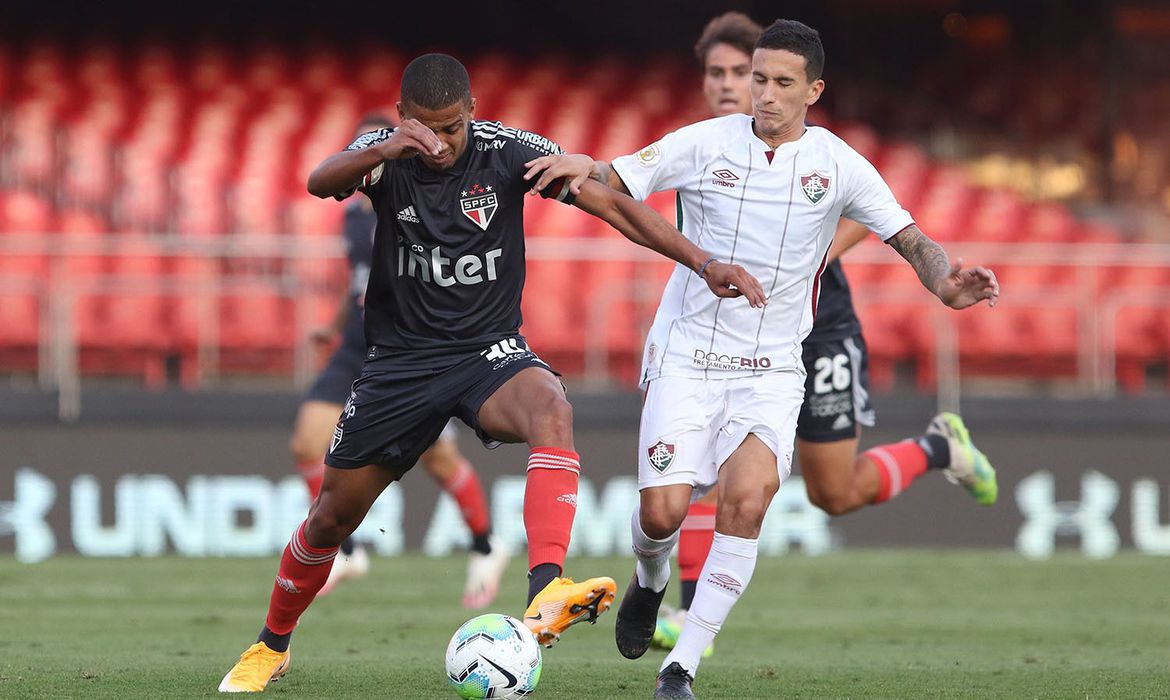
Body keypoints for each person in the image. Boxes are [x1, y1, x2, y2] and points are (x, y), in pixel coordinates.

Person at [218, 52, 765, 693]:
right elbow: (318, 181)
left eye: (453, 127)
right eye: (425, 128)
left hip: (487, 353)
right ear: (402, 116)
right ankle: (271, 644)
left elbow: (613, 207)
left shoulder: (506, 153)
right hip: (400, 364)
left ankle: (546, 589)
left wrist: (702, 263)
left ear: (472, 112)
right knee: (330, 520)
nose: (441, 143)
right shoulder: (384, 157)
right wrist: (386, 148)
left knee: (551, 408)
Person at [525, 19, 999, 698]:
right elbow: (619, 176)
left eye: (781, 82)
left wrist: (946, 284)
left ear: (814, 90)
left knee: (746, 503)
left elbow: (911, 239)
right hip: (688, 355)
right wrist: (586, 166)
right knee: (660, 514)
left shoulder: (839, 164)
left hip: (773, 367)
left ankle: (680, 668)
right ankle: (650, 579)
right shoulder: (705, 142)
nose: (765, 94)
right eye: (758, 79)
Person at [290, 114, 508, 607]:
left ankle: (485, 544)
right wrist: (335, 324)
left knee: (438, 458)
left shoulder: (415, 200)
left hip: (406, 348)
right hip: (356, 342)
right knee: (306, 441)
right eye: (355, 151)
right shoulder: (351, 213)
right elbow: (359, 277)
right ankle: (346, 551)